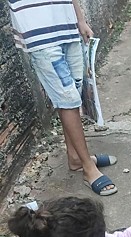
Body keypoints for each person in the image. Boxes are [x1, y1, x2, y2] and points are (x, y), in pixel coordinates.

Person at [8, 0, 117, 196]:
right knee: (67, 100)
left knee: (72, 96)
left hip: (68, 28)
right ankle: (88, 168)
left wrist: (80, 20)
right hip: (40, 35)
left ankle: (75, 158)